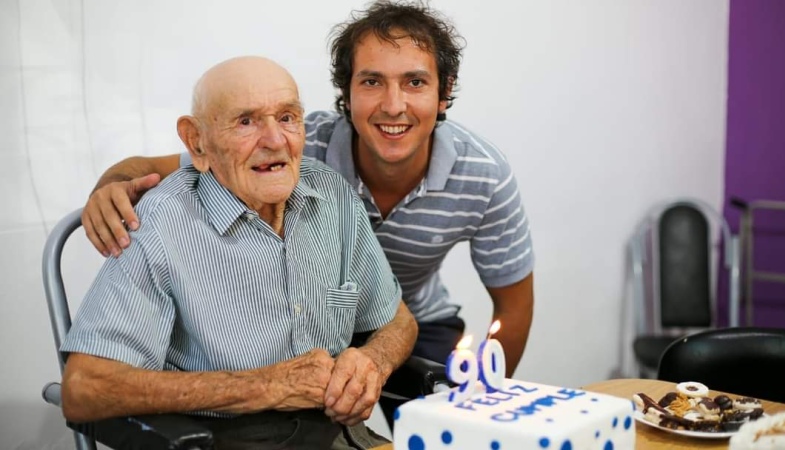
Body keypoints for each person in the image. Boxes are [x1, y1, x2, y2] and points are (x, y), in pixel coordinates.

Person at [82, 0, 533, 378]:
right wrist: (109, 186)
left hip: (408, 316)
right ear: (347, 92)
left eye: (415, 82)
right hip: (309, 325)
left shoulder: (484, 175)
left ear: (443, 92)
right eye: (372, 81)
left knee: (438, 422)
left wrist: (482, 403)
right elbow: (163, 163)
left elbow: (512, 307)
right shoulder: (294, 146)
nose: (393, 105)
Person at [61, 56, 417, 450]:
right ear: (197, 141)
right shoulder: (163, 220)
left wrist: (373, 362)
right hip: (222, 439)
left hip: (341, 435)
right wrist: (267, 385)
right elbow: (84, 388)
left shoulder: (331, 194)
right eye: (246, 121)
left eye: (287, 117)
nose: (275, 140)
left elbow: (398, 322)